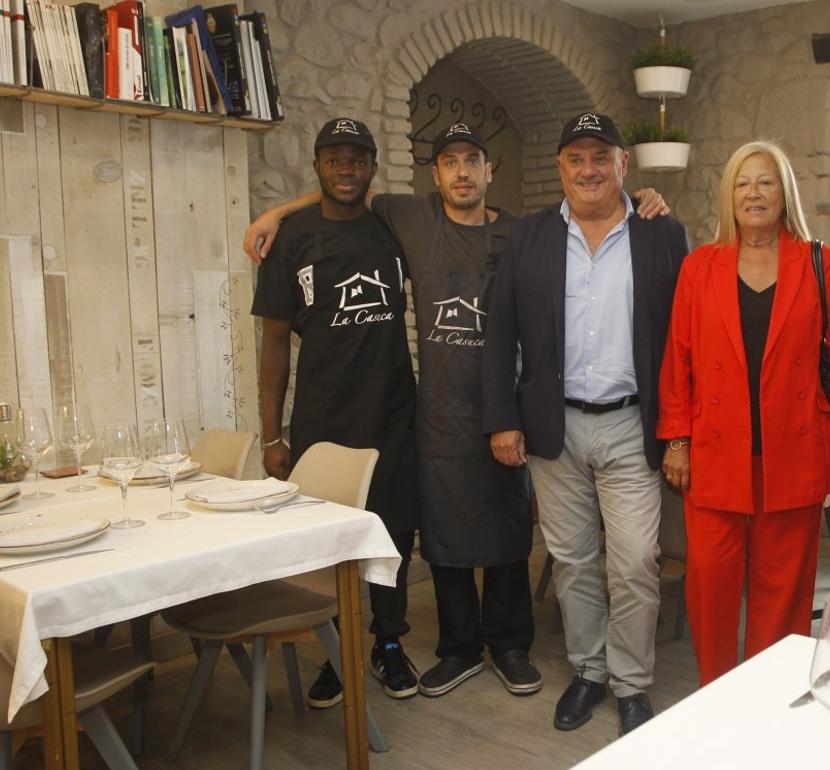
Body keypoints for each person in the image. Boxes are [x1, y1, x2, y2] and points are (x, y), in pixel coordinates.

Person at [243, 123, 671, 702]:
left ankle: (511, 644)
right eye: (450, 162)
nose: (462, 172)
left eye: (473, 160)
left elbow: (593, 210)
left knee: (509, 526)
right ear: (435, 175)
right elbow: (345, 193)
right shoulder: (411, 219)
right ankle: (459, 648)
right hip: (440, 411)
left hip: (512, 407)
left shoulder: (529, 232)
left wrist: (640, 197)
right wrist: (276, 214)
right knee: (443, 533)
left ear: (489, 171)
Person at [481, 112, 690, 736]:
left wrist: (679, 427)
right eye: (576, 158)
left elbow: (683, 338)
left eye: (602, 156)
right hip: (554, 427)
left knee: (632, 563)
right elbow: (501, 335)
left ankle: (631, 682)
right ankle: (589, 670)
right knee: (571, 560)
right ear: (561, 168)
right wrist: (503, 419)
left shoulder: (661, 232)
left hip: (631, 424)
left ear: (624, 164)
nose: (589, 169)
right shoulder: (529, 236)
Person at [657, 141, 830, 686]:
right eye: (743, 183)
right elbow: (678, 359)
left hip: (792, 451)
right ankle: (718, 695)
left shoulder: (821, 263)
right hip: (715, 453)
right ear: (730, 195)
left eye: (766, 181)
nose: (754, 193)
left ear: (784, 192)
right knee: (710, 588)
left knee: (784, 590)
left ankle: (771, 695)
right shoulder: (700, 267)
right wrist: (676, 439)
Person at [250, 117, 421, 705]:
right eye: (333, 160)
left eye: (356, 159)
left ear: (373, 166)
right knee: (333, 540)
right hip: (324, 421)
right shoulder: (292, 239)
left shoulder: (392, 224)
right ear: (317, 166)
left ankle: (390, 642)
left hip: (395, 411)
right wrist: (273, 435)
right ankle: (337, 649)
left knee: (395, 531)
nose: (345, 170)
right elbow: (274, 343)